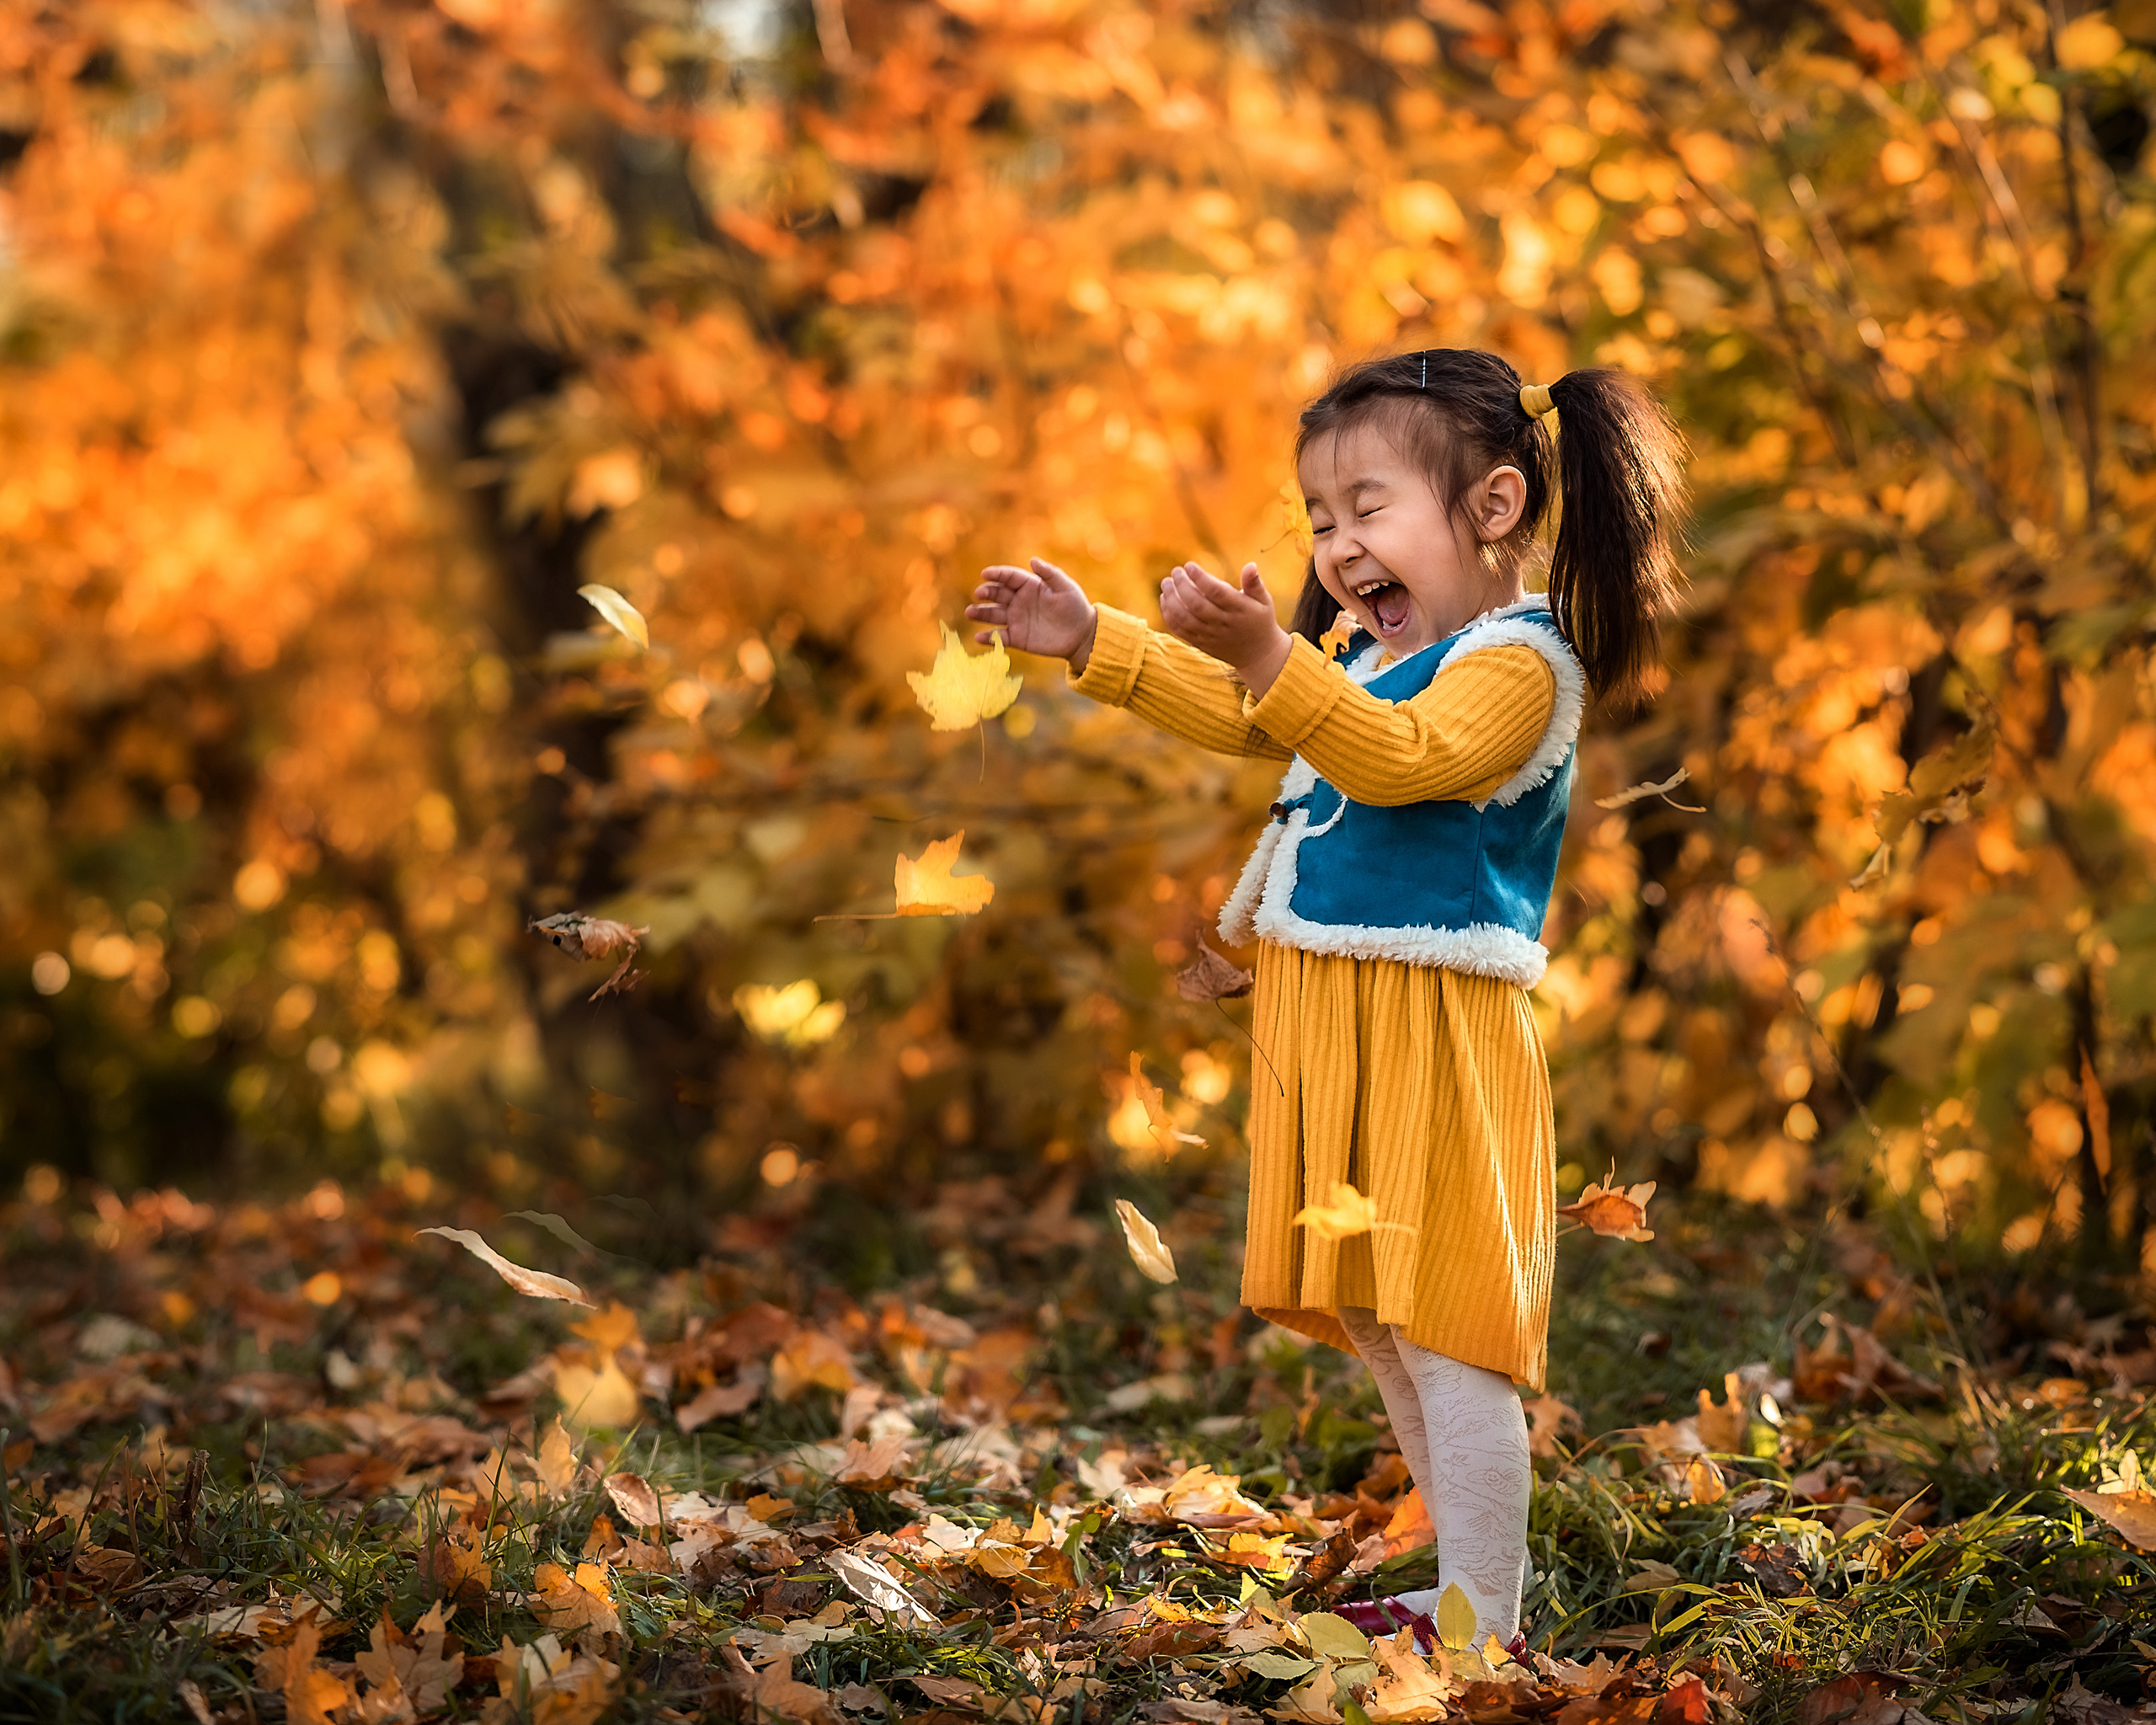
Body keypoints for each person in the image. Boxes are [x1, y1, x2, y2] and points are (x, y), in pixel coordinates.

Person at [967, 349, 1685, 1657]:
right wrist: (1098, 641)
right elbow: (1263, 723)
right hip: (1337, 1023)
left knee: (1447, 1321)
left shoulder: (1519, 667)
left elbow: (1401, 762)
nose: (1338, 545)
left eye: (1368, 508)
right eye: (1319, 519)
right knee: (1377, 1315)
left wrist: (1271, 658)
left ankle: (1488, 1621)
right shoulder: (1362, 654)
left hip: (1435, 1032)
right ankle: (1450, 1595)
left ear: (1495, 506)